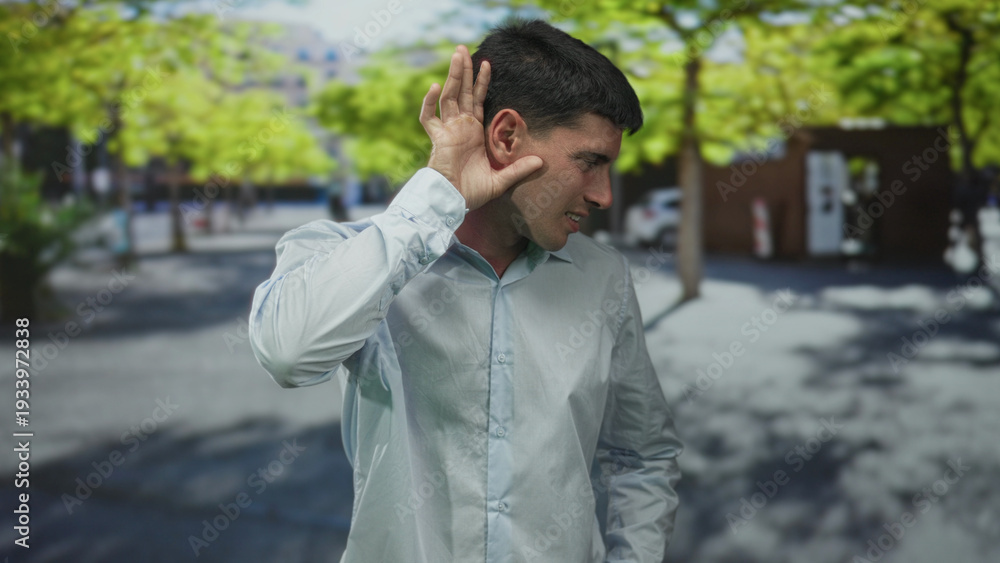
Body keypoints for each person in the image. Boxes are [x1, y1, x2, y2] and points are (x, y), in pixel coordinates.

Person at [249, 19, 682, 563]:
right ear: (506, 137)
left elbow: (642, 455)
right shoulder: (350, 254)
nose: (604, 195)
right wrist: (437, 193)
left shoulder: (604, 277)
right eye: (589, 161)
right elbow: (287, 354)